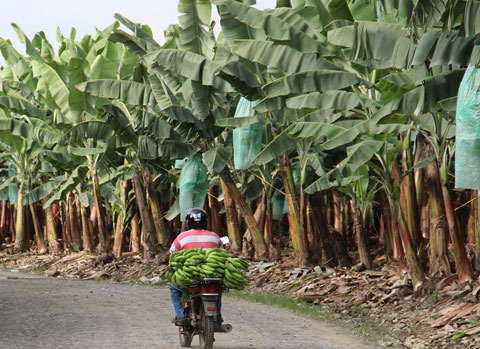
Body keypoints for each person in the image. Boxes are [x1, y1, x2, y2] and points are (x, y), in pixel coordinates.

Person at [166, 208, 223, 326]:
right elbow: (222, 254)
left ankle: (181, 316)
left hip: (189, 274)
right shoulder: (215, 236)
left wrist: (165, 260)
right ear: (205, 222)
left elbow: (171, 253)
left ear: (188, 222)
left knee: (174, 288)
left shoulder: (182, 237)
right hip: (210, 274)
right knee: (217, 290)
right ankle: (217, 314)